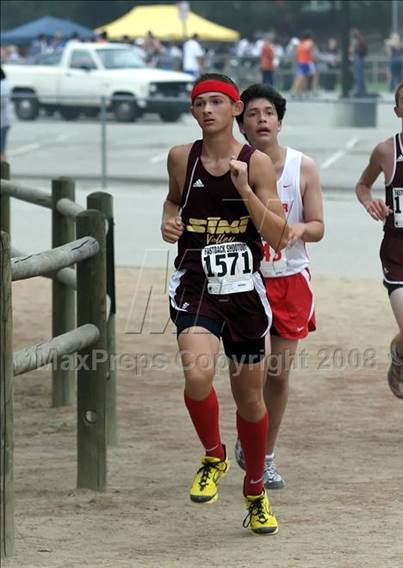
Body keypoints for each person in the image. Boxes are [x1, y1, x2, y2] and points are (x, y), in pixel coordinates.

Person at [161, 73, 289, 534]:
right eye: (200, 103)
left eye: (217, 101)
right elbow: (173, 201)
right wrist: (169, 223)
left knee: (249, 398)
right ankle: (214, 454)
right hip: (196, 282)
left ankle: (255, 490)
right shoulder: (181, 158)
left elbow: (277, 234)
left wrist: (246, 190)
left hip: (243, 292)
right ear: (193, 112)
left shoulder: (256, 163)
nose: (207, 109)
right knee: (196, 371)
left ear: (235, 109)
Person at [234, 83, 324, 487]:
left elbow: (319, 228)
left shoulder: (302, 167)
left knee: (279, 374)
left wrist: (299, 227)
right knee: (254, 370)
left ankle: (266, 454)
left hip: (290, 280)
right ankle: (250, 438)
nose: (262, 119)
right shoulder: (233, 168)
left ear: (280, 121)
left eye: (268, 112)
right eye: (253, 113)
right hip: (248, 279)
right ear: (242, 125)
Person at [355, 78, 403, 442]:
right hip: (400, 255)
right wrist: (370, 201)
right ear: (396, 111)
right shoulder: (385, 151)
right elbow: (363, 185)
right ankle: (400, 352)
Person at [291, 32, 316, 96]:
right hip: (306, 61)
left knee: (303, 77)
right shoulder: (310, 42)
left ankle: (301, 92)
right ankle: (295, 91)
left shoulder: (300, 43)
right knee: (302, 77)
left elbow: (297, 53)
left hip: (300, 61)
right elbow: (310, 51)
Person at [350, 29, 368, 97]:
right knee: (360, 74)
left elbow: (352, 50)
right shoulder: (361, 39)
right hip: (360, 58)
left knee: (358, 75)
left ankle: (359, 89)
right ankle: (362, 89)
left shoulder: (357, 41)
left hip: (358, 57)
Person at [0, 66, 12, 162]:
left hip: (2, 123)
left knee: (1, 152)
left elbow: (2, 102)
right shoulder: (5, 84)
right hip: (4, 122)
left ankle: (4, 173)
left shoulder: (3, 85)